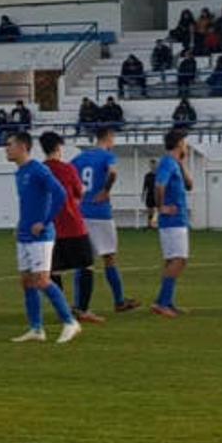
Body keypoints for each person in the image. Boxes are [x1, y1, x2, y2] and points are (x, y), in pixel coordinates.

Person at [5, 131, 81, 344]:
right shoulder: (20, 173)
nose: (6, 149)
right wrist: (21, 223)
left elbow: (61, 194)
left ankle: (70, 322)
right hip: (24, 235)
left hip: (41, 236)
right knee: (27, 281)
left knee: (42, 280)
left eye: (9, 144)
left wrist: (45, 222)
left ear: (22, 147)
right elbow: (29, 202)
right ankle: (36, 329)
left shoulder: (39, 170)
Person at [71, 128, 140, 314]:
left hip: (82, 213)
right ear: (108, 138)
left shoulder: (79, 158)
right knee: (109, 258)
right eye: (113, 138)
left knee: (84, 260)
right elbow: (113, 173)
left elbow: (70, 180)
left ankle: (79, 303)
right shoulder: (107, 156)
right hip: (100, 213)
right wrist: (106, 191)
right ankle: (119, 301)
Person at [39, 132, 103, 325]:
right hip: (73, 225)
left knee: (53, 270)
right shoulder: (67, 169)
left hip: (50, 228)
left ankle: (62, 309)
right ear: (59, 148)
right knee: (86, 265)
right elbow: (79, 192)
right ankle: (82, 309)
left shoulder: (40, 171)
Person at [151, 130, 194, 318]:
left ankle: (166, 301)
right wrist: (161, 208)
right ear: (179, 143)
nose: (186, 145)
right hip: (173, 220)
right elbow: (159, 185)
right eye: (184, 142)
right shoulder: (167, 163)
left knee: (172, 260)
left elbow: (190, 185)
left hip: (176, 220)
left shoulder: (175, 163)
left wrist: (183, 163)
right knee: (180, 260)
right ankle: (162, 302)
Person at [143, 159, 158, 229]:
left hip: (157, 194)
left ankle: (154, 224)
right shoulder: (147, 175)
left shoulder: (158, 175)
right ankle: (149, 225)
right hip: (149, 194)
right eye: (151, 165)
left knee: (156, 210)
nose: (152, 166)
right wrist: (143, 194)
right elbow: (144, 186)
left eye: (154, 164)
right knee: (150, 210)